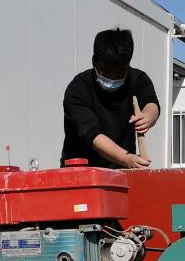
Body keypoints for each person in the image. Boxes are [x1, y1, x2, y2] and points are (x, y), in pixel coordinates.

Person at [61, 28, 159, 169]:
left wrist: (148, 117)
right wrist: (126, 158)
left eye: (120, 72)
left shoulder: (138, 80)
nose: (112, 78)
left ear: (128, 65)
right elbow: (92, 135)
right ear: (94, 61)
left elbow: (151, 103)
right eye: (105, 71)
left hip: (122, 172)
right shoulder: (78, 88)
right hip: (81, 173)